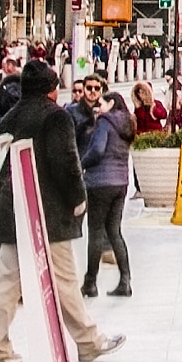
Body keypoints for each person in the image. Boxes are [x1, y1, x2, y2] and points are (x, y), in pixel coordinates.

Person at [0, 62, 121, 362]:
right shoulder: (56, 117)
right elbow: (66, 164)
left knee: (7, 280)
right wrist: (77, 199)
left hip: (13, 208)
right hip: (49, 212)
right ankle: (88, 341)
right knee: (64, 278)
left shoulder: (10, 117)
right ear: (50, 88)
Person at [76, 72, 135, 296]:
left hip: (99, 182)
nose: (98, 105)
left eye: (102, 102)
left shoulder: (104, 121)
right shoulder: (126, 125)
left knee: (96, 232)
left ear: (111, 103)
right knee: (114, 231)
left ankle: (90, 283)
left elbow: (98, 150)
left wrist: (83, 163)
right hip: (121, 183)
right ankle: (125, 280)